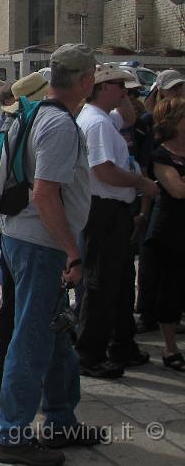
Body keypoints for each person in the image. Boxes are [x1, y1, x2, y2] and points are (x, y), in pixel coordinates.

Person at [0, 44, 103, 465]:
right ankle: (13, 436)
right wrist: (73, 251)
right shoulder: (57, 124)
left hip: (24, 238)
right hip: (42, 245)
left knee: (56, 334)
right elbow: (45, 193)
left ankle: (60, 420)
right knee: (34, 337)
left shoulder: (34, 112)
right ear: (86, 80)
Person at [75, 64, 157, 378]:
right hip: (104, 210)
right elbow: (104, 170)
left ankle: (121, 345)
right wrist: (142, 184)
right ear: (103, 88)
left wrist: (123, 85)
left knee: (120, 281)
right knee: (101, 283)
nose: (126, 92)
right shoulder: (95, 123)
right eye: (119, 86)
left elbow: (130, 117)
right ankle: (89, 354)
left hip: (112, 210)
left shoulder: (102, 118)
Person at [0, 72, 50, 393]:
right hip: (28, 225)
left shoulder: (1, 124)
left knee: (10, 302)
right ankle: (19, 379)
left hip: (6, 222)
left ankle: (5, 373)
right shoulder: (29, 127)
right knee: (26, 305)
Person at [145, 98, 185, 372]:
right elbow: (177, 190)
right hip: (171, 231)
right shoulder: (160, 154)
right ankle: (170, 349)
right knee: (170, 288)